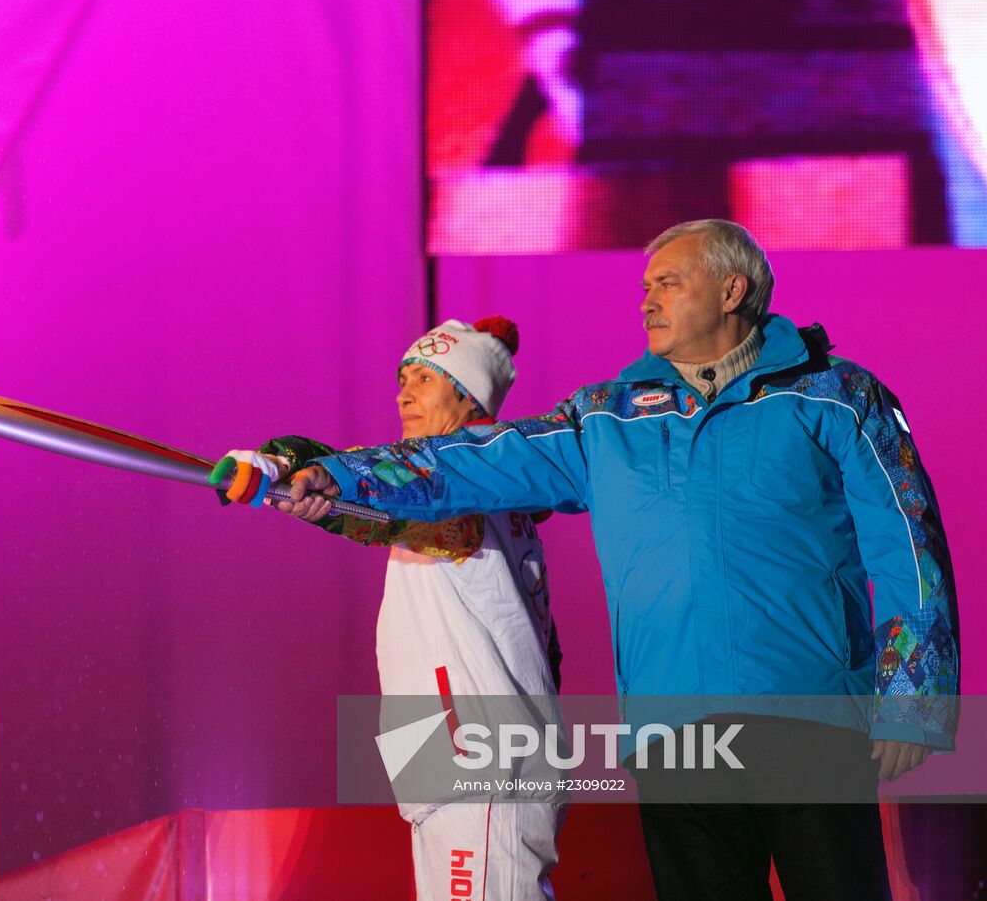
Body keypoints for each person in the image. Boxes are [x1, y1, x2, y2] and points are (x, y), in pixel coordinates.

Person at [275, 220, 959, 901]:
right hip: (676, 734)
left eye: (669, 282)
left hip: (810, 721)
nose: (648, 301)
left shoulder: (836, 395)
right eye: (645, 286)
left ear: (732, 290)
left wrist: (915, 698)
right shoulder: (608, 416)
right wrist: (335, 476)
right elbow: (471, 460)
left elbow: (909, 543)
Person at [218, 317, 565, 900]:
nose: (403, 394)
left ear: (469, 398)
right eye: (402, 380)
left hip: (480, 769)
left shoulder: (458, 494)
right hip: (469, 767)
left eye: (425, 379)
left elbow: (381, 493)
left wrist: (287, 469)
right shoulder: (495, 499)